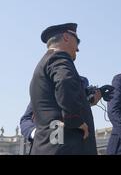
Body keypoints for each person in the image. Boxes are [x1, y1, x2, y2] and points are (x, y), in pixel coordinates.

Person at [29, 23, 97, 155]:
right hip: (66, 146)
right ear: (66, 37)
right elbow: (65, 81)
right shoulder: (58, 57)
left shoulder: (43, 63)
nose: (77, 49)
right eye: (77, 42)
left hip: (50, 145)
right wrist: (75, 119)